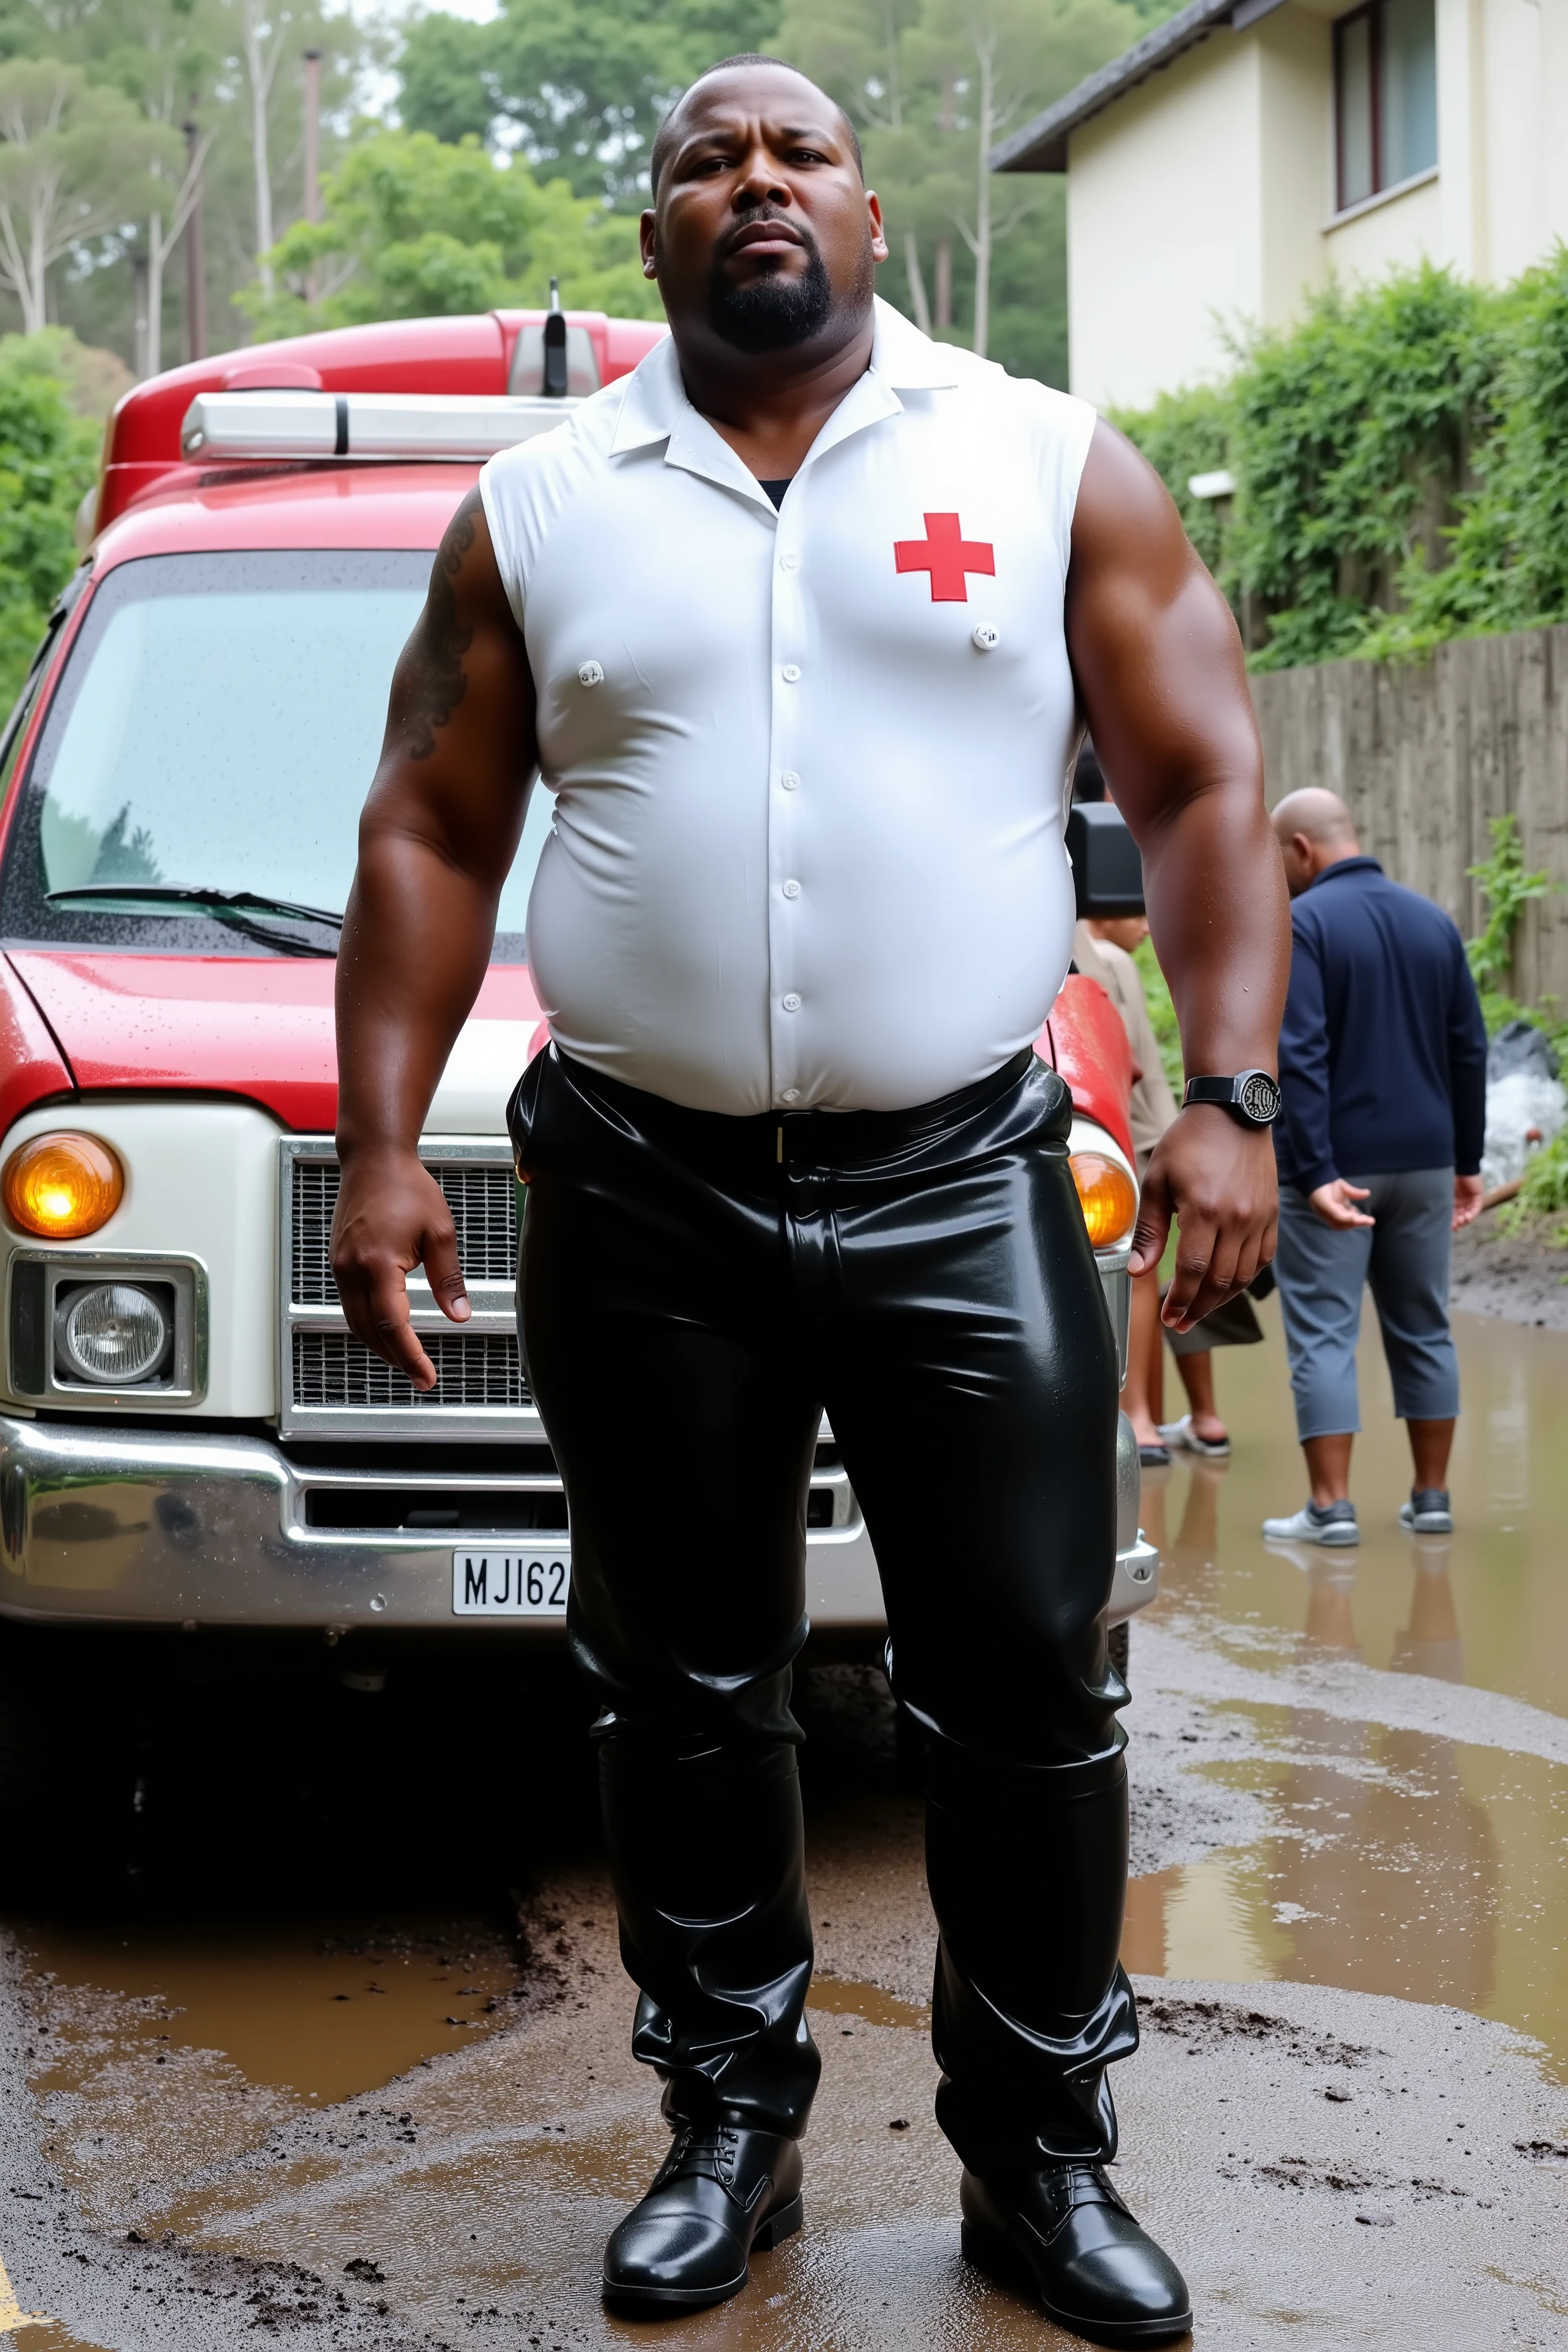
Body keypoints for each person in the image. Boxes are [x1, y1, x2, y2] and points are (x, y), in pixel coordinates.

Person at [328, 54, 1288, 2347]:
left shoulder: (1038, 462)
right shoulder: (541, 506)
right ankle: (727, 2131)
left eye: (799, 153)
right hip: (642, 1189)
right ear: (653, 230)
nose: (755, 180)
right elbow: (432, 822)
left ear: (867, 212)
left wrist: (1230, 1096)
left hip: (962, 1174)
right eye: (706, 159)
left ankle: (1035, 2162)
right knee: (680, 1683)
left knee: (1027, 1680)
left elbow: (1197, 779)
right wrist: (378, 1142)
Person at [1263, 789, 1487, 1547]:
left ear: (1301, 849)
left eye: (1276, 857)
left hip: (1336, 1172)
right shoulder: (1433, 922)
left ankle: (1330, 1509)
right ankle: (1431, 1498)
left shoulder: (1305, 924)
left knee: (1324, 1334)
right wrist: (1466, 1160)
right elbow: (1468, 1048)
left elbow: (1299, 1053)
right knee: (1424, 1325)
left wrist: (1313, 1170)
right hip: (1425, 1162)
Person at [1074, 909, 1240, 1462]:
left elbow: (1137, 1063)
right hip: (1119, 1137)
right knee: (1151, 1272)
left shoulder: (1105, 961)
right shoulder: (1101, 958)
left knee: (1143, 1270)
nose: (1147, 924)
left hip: (1108, 1139)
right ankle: (1155, 1418)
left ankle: (1145, 1418)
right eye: (1136, 910)